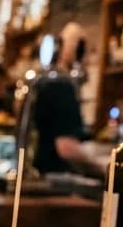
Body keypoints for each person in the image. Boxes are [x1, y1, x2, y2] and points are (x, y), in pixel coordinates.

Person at [28, 22, 98, 175]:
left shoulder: (46, 81)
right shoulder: (61, 85)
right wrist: (103, 164)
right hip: (55, 174)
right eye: (84, 47)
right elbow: (66, 148)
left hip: (38, 169)